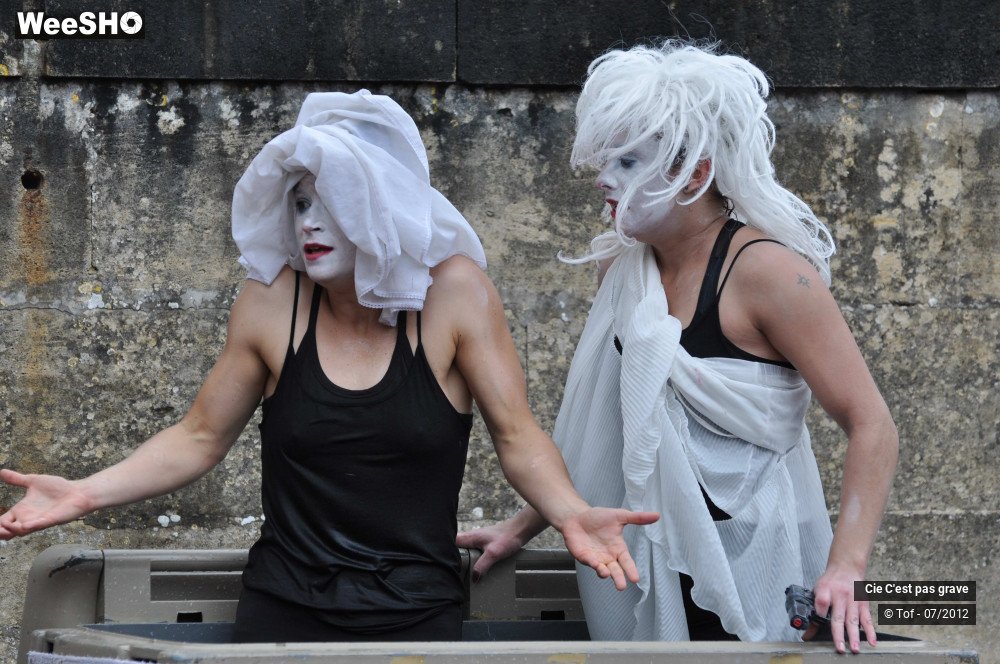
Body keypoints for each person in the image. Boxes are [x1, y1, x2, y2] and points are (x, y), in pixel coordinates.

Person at [0, 90, 658, 643]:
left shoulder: (457, 293)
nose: (307, 221)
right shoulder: (272, 299)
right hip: (280, 614)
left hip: (415, 618)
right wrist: (85, 492)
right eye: (299, 201)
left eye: (329, 199)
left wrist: (571, 513)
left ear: (381, 204)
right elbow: (198, 436)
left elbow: (517, 436)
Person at [458, 40, 898, 655]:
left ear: (694, 172)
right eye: (605, 161)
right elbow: (603, 432)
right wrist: (525, 525)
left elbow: (871, 422)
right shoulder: (625, 274)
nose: (604, 180)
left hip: (758, 563)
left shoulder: (768, 274)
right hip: (651, 563)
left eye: (629, 162)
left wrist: (847, 567)